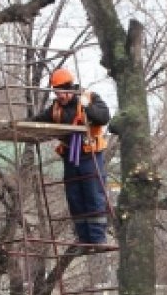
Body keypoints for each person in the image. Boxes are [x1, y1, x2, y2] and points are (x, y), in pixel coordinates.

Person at [34, 69, 111, 247]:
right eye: (56, 93)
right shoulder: (55, 109)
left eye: (61, 92)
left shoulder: (89, 98)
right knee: (75, 198)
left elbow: (103, 117)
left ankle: (97, 238)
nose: (59, 96)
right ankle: (83, 239)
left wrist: (87, 107)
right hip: (70, 157)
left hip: (90, 156)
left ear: (70, 88)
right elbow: (38, 119)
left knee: (93, 196)